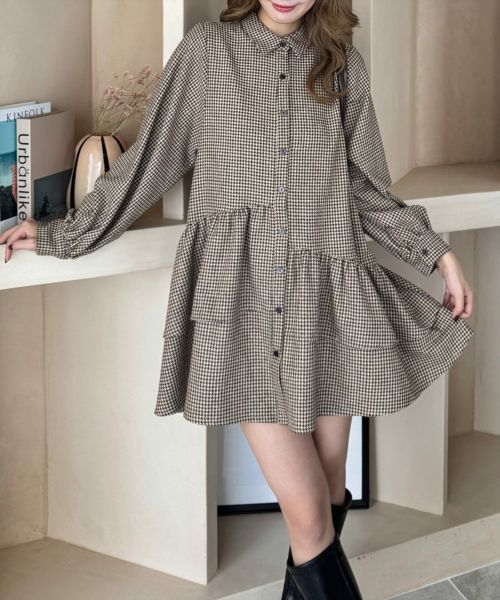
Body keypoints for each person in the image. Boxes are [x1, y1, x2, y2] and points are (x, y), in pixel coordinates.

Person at [0, 0, 474, 597]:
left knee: (327, 496)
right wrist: (62, 234)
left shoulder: (341, 64)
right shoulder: (207, 53)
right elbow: (149, 161)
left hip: (329, 302)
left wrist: (437, 254)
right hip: (240, 305)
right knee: (309, 517)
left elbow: (365, 187)